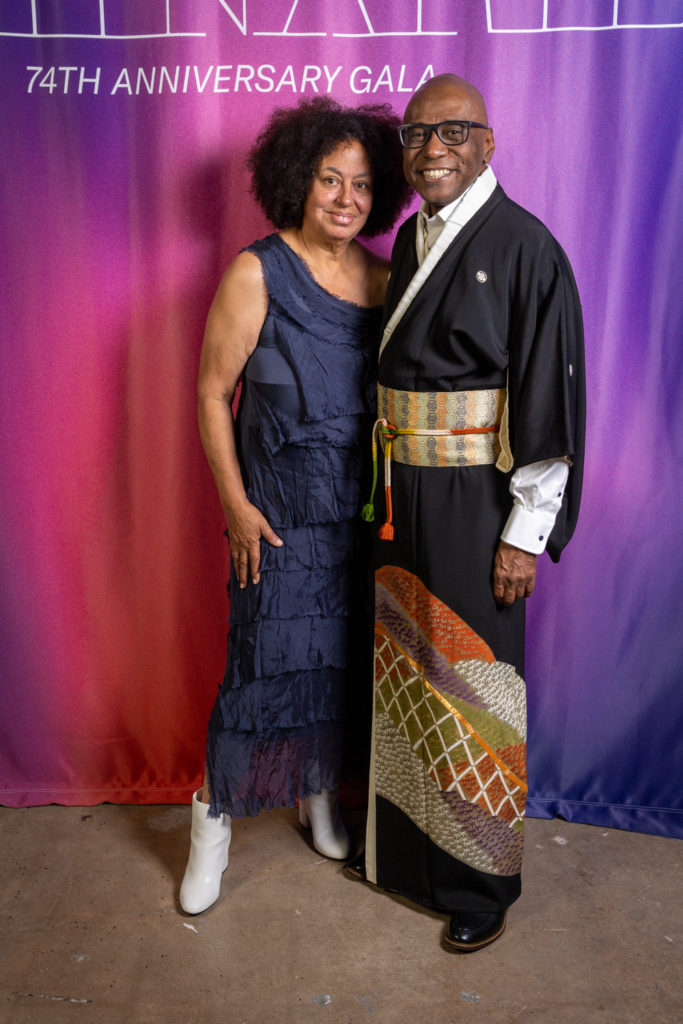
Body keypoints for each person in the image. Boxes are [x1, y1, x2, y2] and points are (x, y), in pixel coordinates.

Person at [346, 74, 586, 952]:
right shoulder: (413, 238)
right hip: (400, 491)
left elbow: (547, 402)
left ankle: (480, 880)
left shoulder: (526, 247)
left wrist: (523, 535)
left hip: (477, 500)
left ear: (488, 142)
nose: (431, 149)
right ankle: (409, 857)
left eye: (451, 131)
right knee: (408, 671)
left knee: (473, 684)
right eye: (416, 134)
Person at [179, 97, 411, 915]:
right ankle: (210, 822)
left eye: (360, 184)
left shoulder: (385, 281)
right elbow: (212, 395)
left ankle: (316, 795)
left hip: (353, 523)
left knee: (337, 675)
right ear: (296, 181)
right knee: (257, 677)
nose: (345, 198)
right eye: (327, 180)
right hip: (274, 525)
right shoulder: (255, 271)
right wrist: (236, 508)